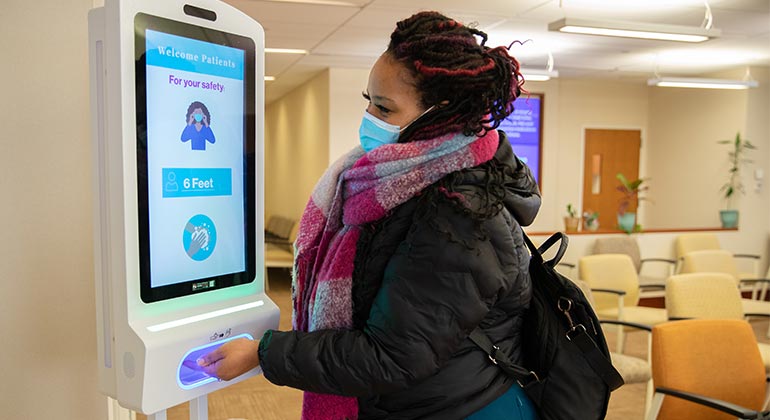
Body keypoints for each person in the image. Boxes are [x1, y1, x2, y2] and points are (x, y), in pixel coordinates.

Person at [198, 11, 541, 420]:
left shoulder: (459, 215)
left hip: (464, 409)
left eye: (384, 107)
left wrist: (265, 353)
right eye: (368, 102)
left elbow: (392, 356)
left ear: (440, 115)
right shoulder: (383, 182)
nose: (370, 119)